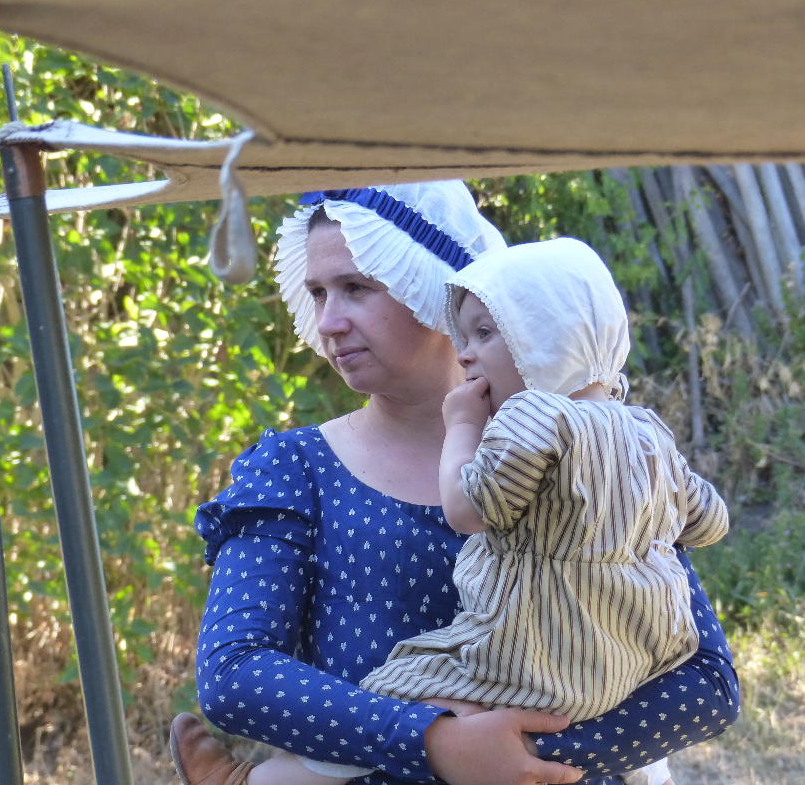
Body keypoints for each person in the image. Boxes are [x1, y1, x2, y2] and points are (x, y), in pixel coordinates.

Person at [169, 182, 740, 785]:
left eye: (357, 288)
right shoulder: (295, 469)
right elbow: (235, 674)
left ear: (428, 284)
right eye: (318, 293)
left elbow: (707, 683)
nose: (329, 321)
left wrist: (522, 758)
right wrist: (433, 743)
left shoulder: (583, 452)